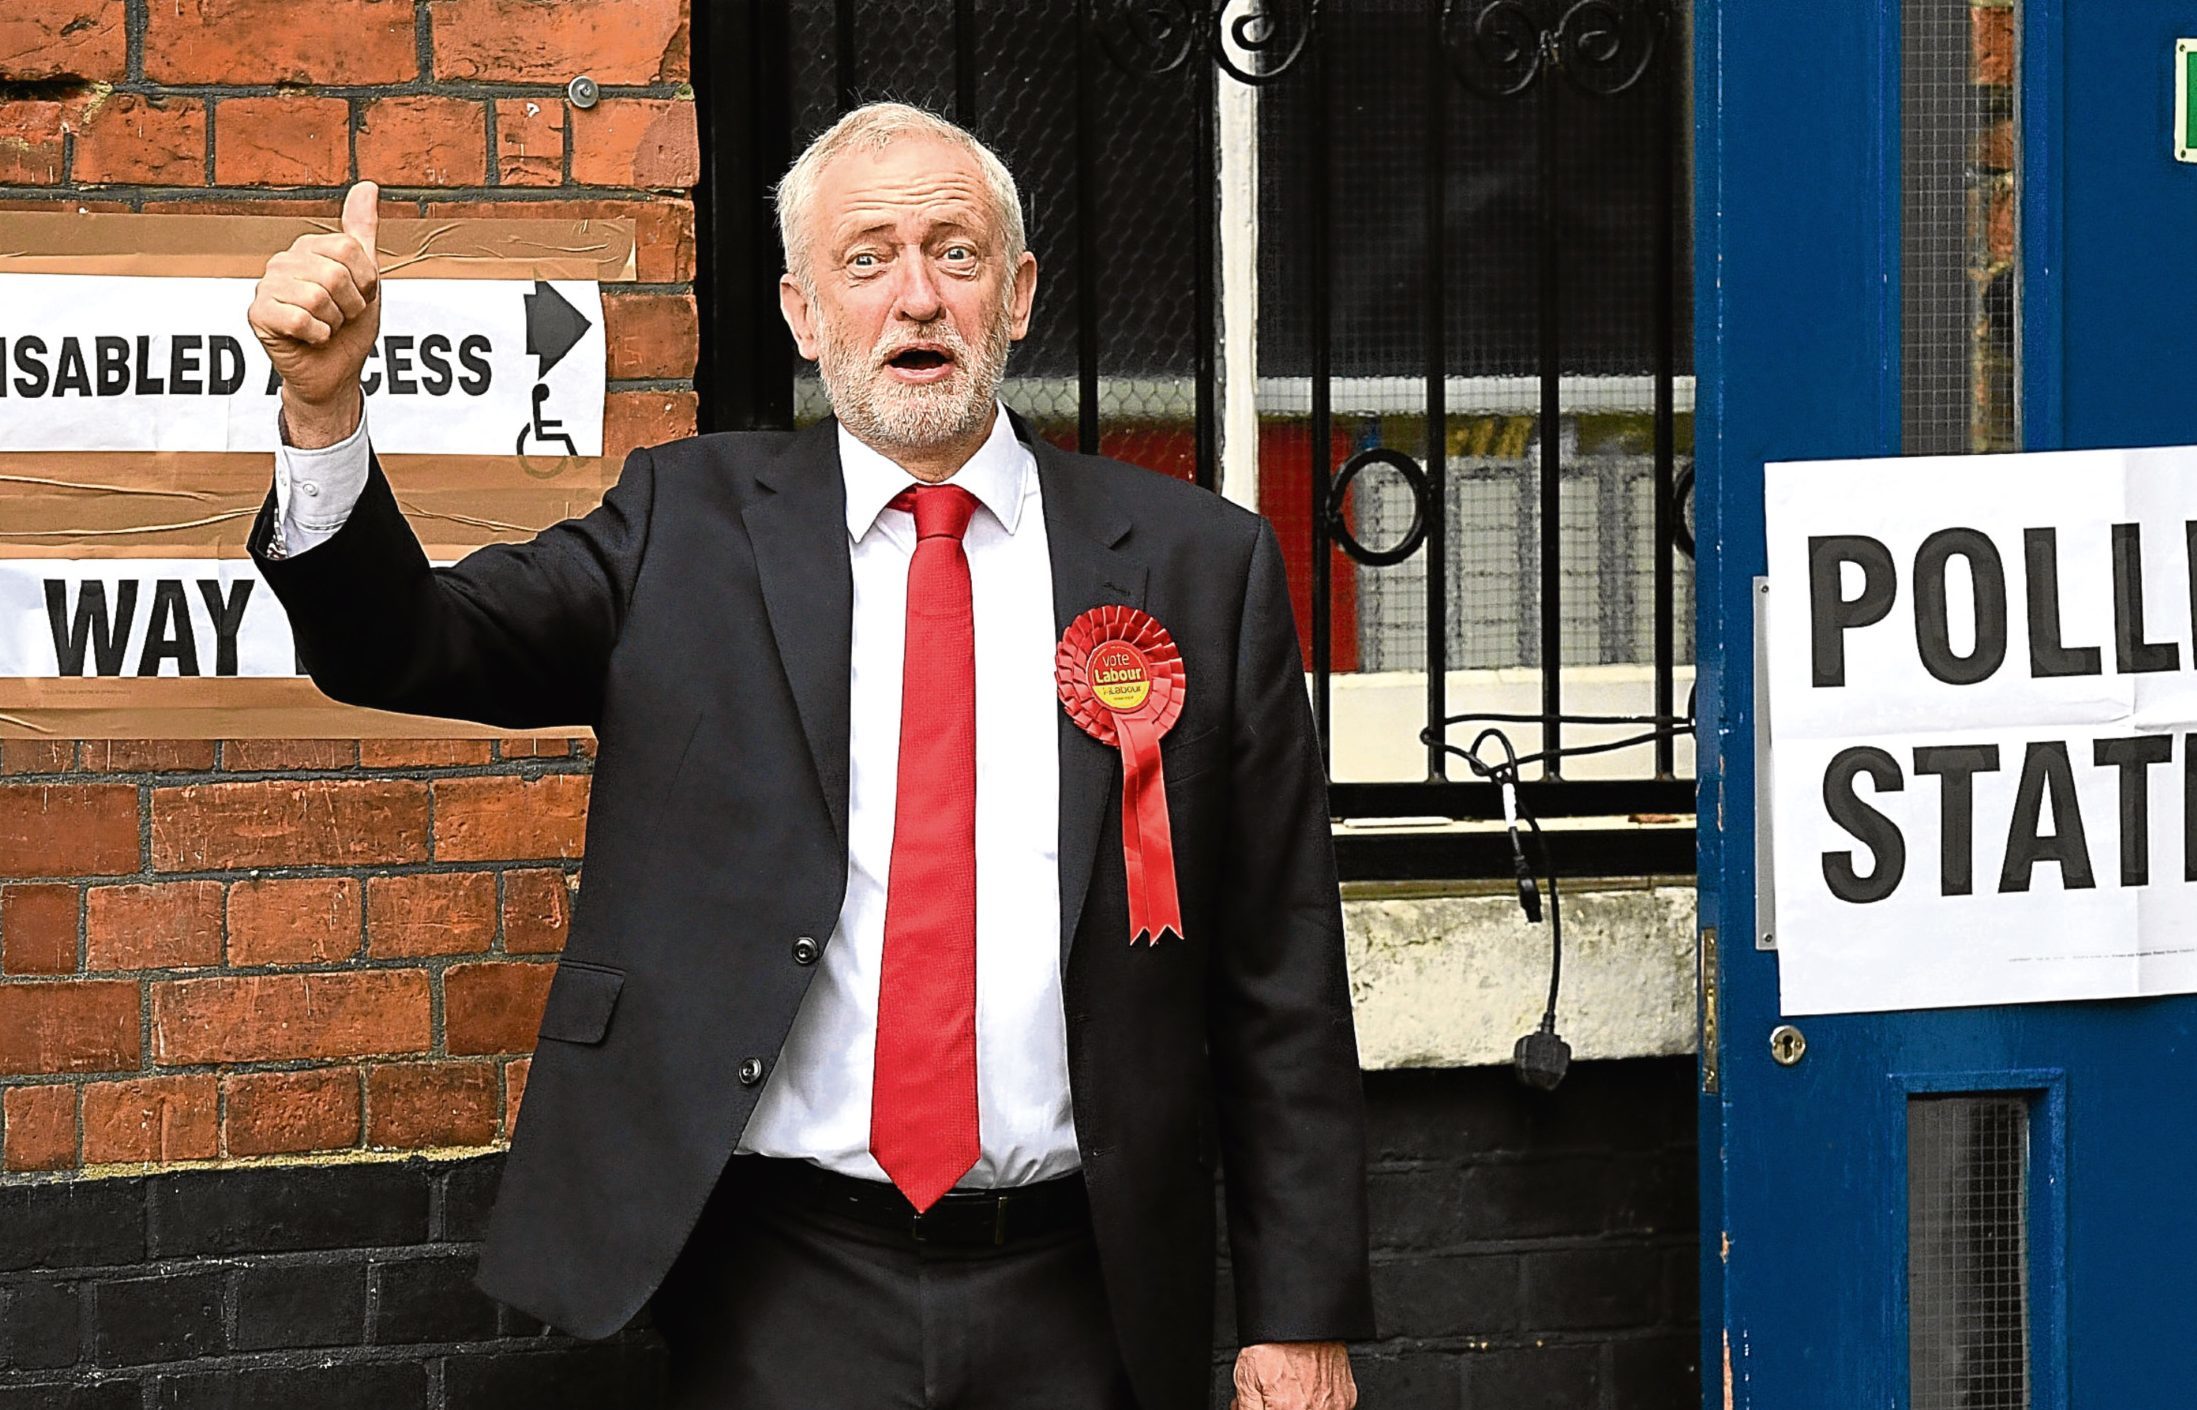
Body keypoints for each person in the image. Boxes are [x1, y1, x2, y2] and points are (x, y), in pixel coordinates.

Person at [244, 102, 1372, 1410]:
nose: (915, 296)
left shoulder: (1194, 564)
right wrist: (323, 415)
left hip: (1088, 1286)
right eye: (866, 257)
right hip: (783, 1283)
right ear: (799, 310)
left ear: (1016, 295)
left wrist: (1298, 1313)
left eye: (954, 253)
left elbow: (1279, 969)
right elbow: (408, 646)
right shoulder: (684, 522)